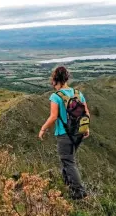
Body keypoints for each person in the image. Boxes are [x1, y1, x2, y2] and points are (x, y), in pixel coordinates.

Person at [38, 66, 89, 200]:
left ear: (55, 80)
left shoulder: (56, 96)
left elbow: (53, 116)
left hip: (64, 133)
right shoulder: (77, 93)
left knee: (68, 161)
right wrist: (86, 128)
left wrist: (43, 129)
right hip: (78, 133)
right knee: (67, 160)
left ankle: (79, 192)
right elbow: (86, 113)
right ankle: (68, 187)